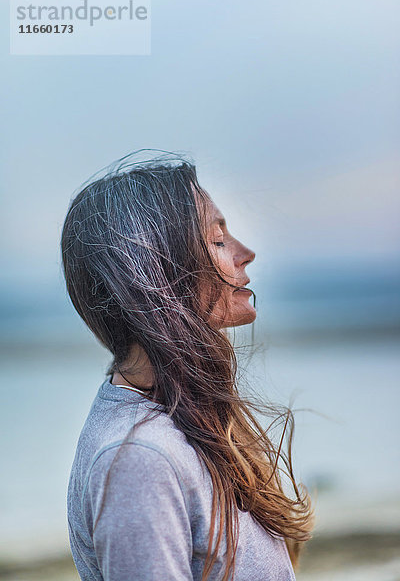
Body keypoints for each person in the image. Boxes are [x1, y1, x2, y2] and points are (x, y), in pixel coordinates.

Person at [61, 150, 314, 581]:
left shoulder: (186, 418)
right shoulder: (139, 460)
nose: (245, 253)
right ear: (156, 267)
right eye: (217, 240)